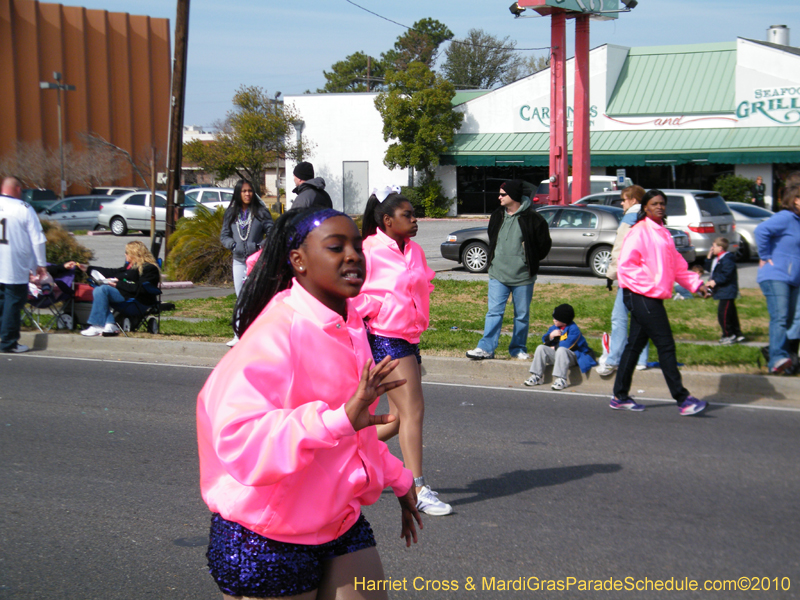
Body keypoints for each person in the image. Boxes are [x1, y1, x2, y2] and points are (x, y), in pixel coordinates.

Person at [197, 206, 421, 600]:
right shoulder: (276, 331)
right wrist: (335, 421)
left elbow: (356, 432)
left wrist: (399, 480)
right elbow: (237, 438)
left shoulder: (350, 326)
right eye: (336, 247)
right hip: (267, 533)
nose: (353, 255)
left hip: (337, 520)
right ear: (298, 260)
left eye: (356, 245)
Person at [354, 186, 451, 516]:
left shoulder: (414, 250)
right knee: (414, 412)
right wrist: (376, 307)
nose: (415, 220)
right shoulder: (368, 249)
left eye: (414, 214)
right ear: (386, 220)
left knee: (397, 418)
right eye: (407, 215)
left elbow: (422, 284)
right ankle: (418, 487)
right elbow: (352, 292)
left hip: (409, 337)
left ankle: (344, 456)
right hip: (385, 336)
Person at [611, 189, 712, 416]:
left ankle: (620, 396)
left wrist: (697, 285)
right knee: (666, 346)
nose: (660, 207)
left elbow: (677, 267)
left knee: (634, 346)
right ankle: (683, 399)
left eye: (663, 204)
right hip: (643, 296)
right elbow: (626, 267)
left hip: (650, 296)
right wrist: (650, 286)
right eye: (655, 203)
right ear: (645, 207)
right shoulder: (639, 231)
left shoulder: (662, 233)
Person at [466, 179, 551, 360]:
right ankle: (486, 348)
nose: (499, 197)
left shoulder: (533, 219)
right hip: (498, 274)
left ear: (514, 196)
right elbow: (492, 237)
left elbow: (544, 245)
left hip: (523, 276)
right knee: (494, 312)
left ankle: (518, 348)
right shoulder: (497, 215)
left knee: (521, 316)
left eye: (503, 194)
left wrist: (527, 260)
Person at [596, 185, 650, 376]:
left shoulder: (629, 219)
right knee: (640, 319)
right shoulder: (649, 218)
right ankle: (641, 359)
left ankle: (613, 359)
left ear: (633, 200)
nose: (622, 203)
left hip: (629, 276)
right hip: (645, 276)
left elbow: (619, 248)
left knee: (619, 318)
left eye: (624, 199)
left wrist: (611, 274)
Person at [220, 179, 274, 346]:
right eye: (244, 191)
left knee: (255, 296)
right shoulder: (231, 213)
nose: (247, 194)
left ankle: (257, 334)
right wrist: (233, 245)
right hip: (238, 261)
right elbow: (224, 236)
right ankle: (239, 334)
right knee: (240, 297)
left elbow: (272, 232)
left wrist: (259, 246)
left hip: (255, 261)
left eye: (250, 191)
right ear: (238, 193)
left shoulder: (261, 212)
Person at [754, 182, 800, 374]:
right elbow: (760, 231)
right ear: (796, 201)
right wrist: (765, 256)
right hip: (776, 276)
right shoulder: (785, 217)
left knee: (796, 319)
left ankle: (784, 356)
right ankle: (776, 359)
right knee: (780, 318)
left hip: (794, 278)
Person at [0, 176, 47, 353]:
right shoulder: (24, 209)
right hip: (14, 264)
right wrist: (41, 264)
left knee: (2, 301)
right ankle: (9, 342)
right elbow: (38, 239)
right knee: (13, 302)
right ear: (18, 189)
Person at [75, 240, 160, 337]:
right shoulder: (129, 267)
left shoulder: (149, 268)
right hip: (125, 296)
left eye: (127, 252)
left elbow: (141, 288)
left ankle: (98, 324)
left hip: (138, 301)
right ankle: (109, 324)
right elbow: (112, 272)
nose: (125, 254)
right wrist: (88, 269)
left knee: (103, 290)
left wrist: (117, 284)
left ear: (134, 253)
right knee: (99, 290)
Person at [524, 303, 596, 391]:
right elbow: (544, 339)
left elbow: (567, 345)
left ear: (564, 321)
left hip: (573, 357)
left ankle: (561, 379)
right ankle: (537, 376)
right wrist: (551, 336)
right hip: (559, 356)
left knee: (561, 350)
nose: (553, 320)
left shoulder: (574, 329)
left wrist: (554, 347)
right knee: (541, 348)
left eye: (556, 319)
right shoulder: (554, 327)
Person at [705, 237, 745, 345]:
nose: (712, 248)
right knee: (731, 313)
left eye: (714, 246)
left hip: (727, 290)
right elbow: (709, 270)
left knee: (723, 314)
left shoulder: (727, 259)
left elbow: (727, 274)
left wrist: (715, 281)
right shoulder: (716, 259)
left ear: (721, 247)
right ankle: (738, 334)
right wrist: (708, 257)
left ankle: (728, 335)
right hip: (722, 291)